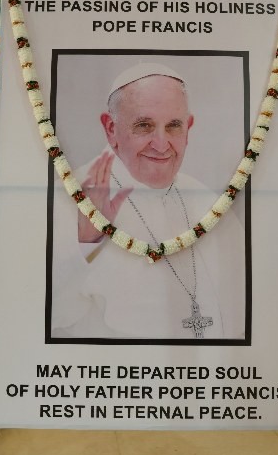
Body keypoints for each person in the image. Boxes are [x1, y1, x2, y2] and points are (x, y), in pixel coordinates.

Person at [51, 63, 246, 340]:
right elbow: (47, 315)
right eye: (144, 126)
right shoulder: (70, 196)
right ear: (110, 129)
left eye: (174, 126)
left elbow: (241, 304)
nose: (161, 144)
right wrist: (85, 242)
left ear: (188, 128)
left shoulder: (206, 200)